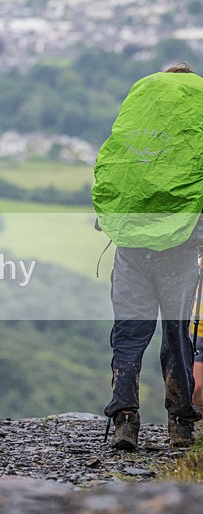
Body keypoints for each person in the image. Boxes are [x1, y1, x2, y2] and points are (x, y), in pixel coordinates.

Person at [94, 61, 203, 450]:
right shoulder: (197, 111)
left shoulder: (142, 112)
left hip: (132, 248)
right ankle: (180, 426)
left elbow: (115, 171)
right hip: (182, 248)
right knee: (178, 337)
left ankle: (125, 421)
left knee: (128, 335)